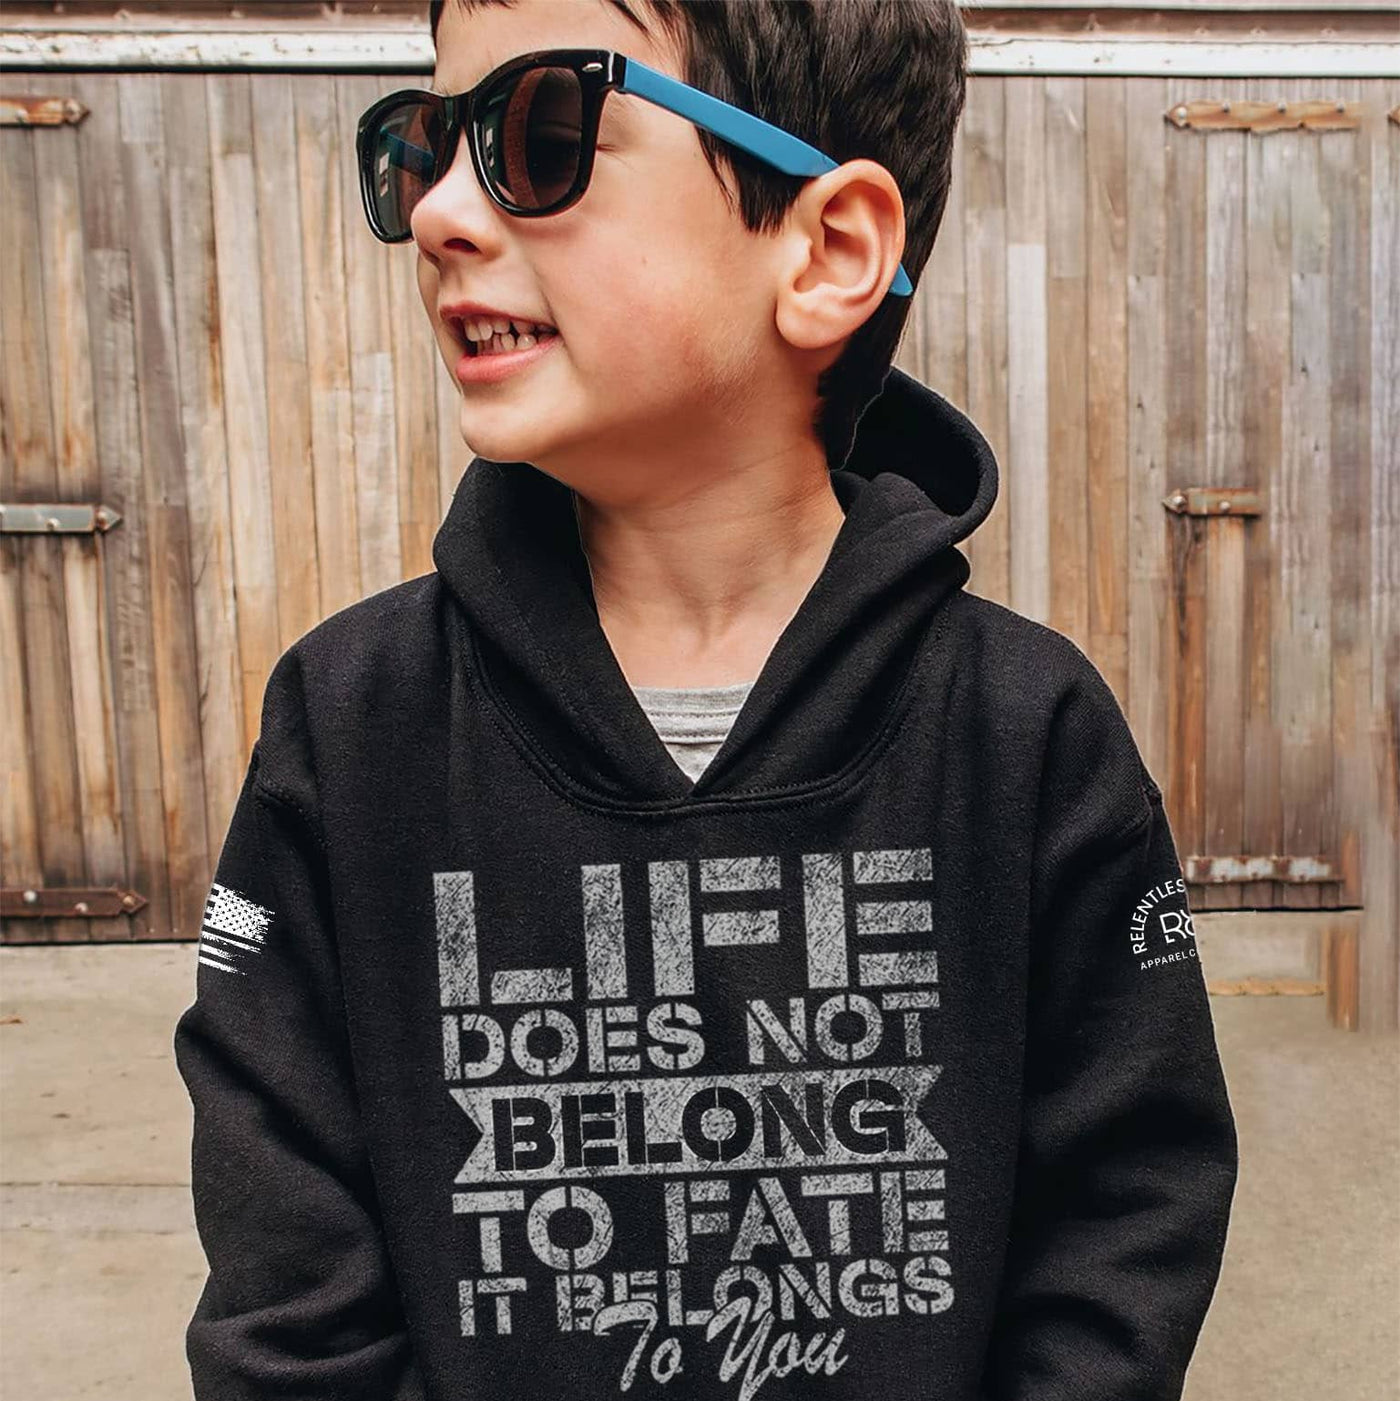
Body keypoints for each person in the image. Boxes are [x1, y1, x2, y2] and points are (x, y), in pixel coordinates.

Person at [173, 1, 1238, 1397]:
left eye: (539, 135)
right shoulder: (350, 726)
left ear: (828, 250)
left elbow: (1128, 1210)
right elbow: (286, 1287)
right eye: (422, 145)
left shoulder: (1026, 733)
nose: (437, 210)